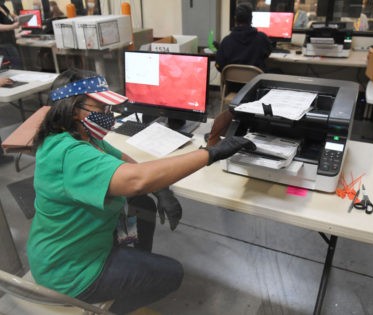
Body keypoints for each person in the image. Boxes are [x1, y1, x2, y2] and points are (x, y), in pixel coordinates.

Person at [26, 68, 256, 315]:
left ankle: (131, 264)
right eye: (100, 108)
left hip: (63, 250)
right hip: (71, 273)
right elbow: (136, 179)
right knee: (172, 273)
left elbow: (128, 164)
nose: (108, 115)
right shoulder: (71, 154)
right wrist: (211, 153)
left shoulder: (78, 137)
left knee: (143, 204)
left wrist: (160, 190)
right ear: (73, 110)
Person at [215, 3, 272, 72]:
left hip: (232, 82)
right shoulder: (262, 38)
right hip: (256, 82)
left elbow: (219, 65)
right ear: (251, 18)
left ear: (235, 19)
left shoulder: (226, 41)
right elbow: (268, 53)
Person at [0, 0, 21, 69]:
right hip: (3, 44)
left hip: (10, 41)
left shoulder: (3, 6)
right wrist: (13, 26)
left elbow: (10, 16)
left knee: (16, 65)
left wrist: (18, 18)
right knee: (13, 67)